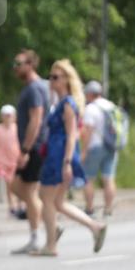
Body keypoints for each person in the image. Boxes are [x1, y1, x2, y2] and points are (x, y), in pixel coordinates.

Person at [35, 60, 107, 256]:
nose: (52, 80)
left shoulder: (68, 104)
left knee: (45, 197)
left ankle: (51, 244)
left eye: (56, 77)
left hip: (60, 157)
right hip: (57, 155)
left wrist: (67, 163)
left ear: (67, 80)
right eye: (51, 76)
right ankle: (94, 226)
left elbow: (72, 135)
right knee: (57, 202)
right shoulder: (60, 102)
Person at [9, 49, 52, 254]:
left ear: (31, 65)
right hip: (33, 147)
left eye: (19, 64)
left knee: (28, 191)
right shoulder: (34, 87)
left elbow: (36, 119)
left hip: (35, 147)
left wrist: (25, 150)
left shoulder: (35, 88)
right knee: (18, 188)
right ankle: (48, 226)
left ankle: (40, 234)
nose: (15, 68)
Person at [80, 80, 118, 217]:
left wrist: (83, 151)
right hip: (112, 147)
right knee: (109, 178)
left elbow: (88, 131)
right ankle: (108, 209)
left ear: (89, 94)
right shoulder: (111, 106)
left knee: (89, 179)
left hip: (95, 147)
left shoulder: (91, 109)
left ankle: (89, 208)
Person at [0, 105, 22, 217]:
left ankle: (20, 205)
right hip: (3, 161)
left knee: (18, 185)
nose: (8, 118)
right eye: (5, 115)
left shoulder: (18, 128)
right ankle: (12, 206)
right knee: (9, 185)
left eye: (10, 115)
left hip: (16, 161)